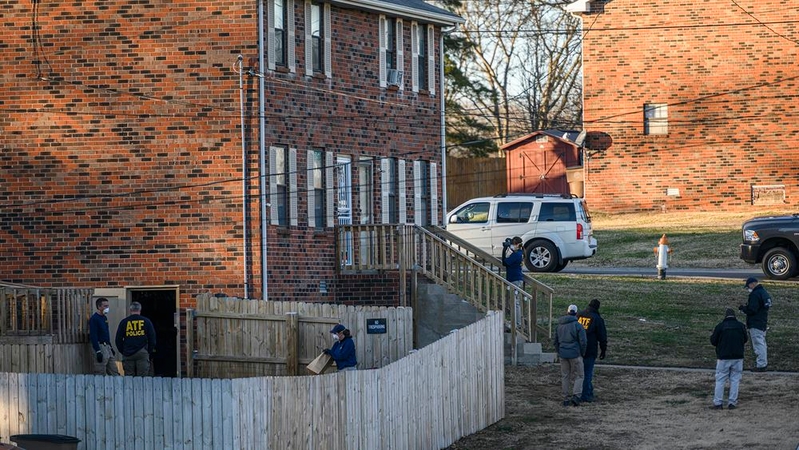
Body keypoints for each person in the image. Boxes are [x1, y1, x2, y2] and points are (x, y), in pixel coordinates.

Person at [710, 308, 748, 409]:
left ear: (725, 316)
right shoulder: (740, 326)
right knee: (735, 380)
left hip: (723, 357)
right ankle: (732, 403)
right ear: (734, 316)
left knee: (720, 380)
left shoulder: (720, 326)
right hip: (738, 357)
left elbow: (713, 341)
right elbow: (745, 339)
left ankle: (718, 403)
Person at [554, 304, 587, 406]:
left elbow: (555, 341)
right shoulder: (577, 325)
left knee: (565, 376)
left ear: (567, 312)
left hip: (563, 354)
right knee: (579, 375)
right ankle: (576, 395)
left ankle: (565, 398)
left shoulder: (559, 325)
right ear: (576, 313)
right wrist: (582, 352)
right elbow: (583, 341)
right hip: (575, 353)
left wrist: (559, 351)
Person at [577, 299, 608, 403]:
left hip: (577, 349)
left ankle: (585, 392)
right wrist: (603, 350)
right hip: (590, 349)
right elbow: (602, 337)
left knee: (580, 374)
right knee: (587, 373)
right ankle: (585, 395)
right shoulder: (597, 319)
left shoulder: (579, 315)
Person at [115, 302, 157, 376]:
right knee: (142, 377)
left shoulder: (124, 322)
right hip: (142, 352)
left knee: (129, 377)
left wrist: (123, 351)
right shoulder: (146, 321)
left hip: (128, 352)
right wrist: (148, 351)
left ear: (130, 310)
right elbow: (152, 338)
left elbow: (118, 339)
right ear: (140, 310)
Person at [739, 277, 771, 371]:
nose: (749, 288)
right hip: (762, 321)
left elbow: (752, 309)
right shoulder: (764, 293)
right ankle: (763, 363)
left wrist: (744, 309)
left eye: (748, 286)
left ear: (752, 284)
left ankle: (761, 365)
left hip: (755, 322)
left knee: (758, 343)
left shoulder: (755, 294)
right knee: (762, 343)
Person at [89, 297, 120, 376]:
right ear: (99, 307)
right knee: (100, 370)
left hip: (107, 346)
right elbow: (94, 335)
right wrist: (98, 351)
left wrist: (110, 347)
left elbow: (106, 333)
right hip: (100, 345)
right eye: (105, 306)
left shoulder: (104, 318)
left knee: (114, 370)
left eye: (108, 306)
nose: (107, 308)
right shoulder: (94, 319)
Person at [502, 236, 524, 325]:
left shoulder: (517, 255)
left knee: (515, 303)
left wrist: (504, 250)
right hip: (515, 279)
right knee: (515, 302)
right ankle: (516, 322)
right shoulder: (519, 253)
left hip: (515, 280)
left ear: (517, 245)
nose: (512, 246)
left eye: (513, 244)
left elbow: (505, 262)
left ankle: (517, 323)